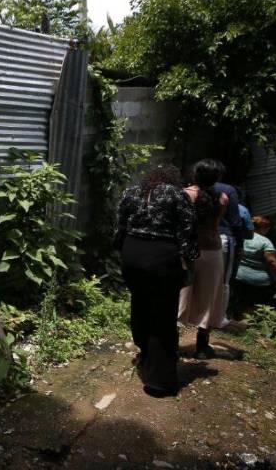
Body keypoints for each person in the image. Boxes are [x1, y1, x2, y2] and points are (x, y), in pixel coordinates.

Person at [115, 163, 198, 397]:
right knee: (163, 316)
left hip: (132, 253)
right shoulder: (177, 195)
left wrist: (126, 252)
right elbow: (187, 232)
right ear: (172, 179)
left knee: (140, 304)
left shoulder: (131, 192)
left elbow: (119, 227)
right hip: (162, 256)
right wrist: (190, 264)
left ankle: (145, 354)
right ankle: (159, 381)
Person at [178, 160, 228, 359]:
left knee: (180, 296)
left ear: (195, 174)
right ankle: (201, 347)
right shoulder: (223, 198)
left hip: (187, 250)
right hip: (213, 250)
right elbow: (215, 224)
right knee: (209, 299)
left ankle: (171, 344)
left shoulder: (185, 195)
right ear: (217, 179)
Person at [204, 160, 242, 326]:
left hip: (195, 238)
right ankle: (218, 318)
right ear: (219, 174)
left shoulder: (192, 189)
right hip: (222, 239)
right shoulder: (227, 190)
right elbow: (235, 221)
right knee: (223, 281)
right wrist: (240, 245)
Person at [234, 216, 276, 310]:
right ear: (265, 228)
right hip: (260, 283)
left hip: (239, 277)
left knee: (241, 304)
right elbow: (271, 262)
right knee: (257, 306)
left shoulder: (243, 237)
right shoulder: (265, 242)